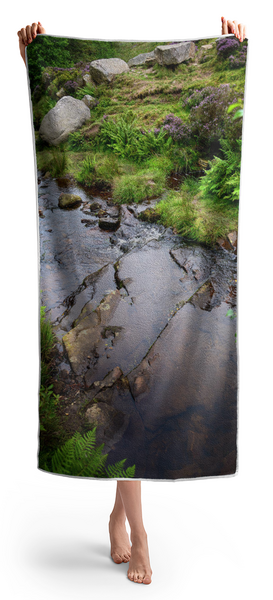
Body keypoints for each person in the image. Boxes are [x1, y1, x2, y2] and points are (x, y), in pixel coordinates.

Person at [17, 16, 246, 585]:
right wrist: (37, 62)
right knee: (126, 396)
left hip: (175, 234)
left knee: (139, 397)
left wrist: (244, 52)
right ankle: (139, 533)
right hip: (146, 234)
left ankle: (120, 519)